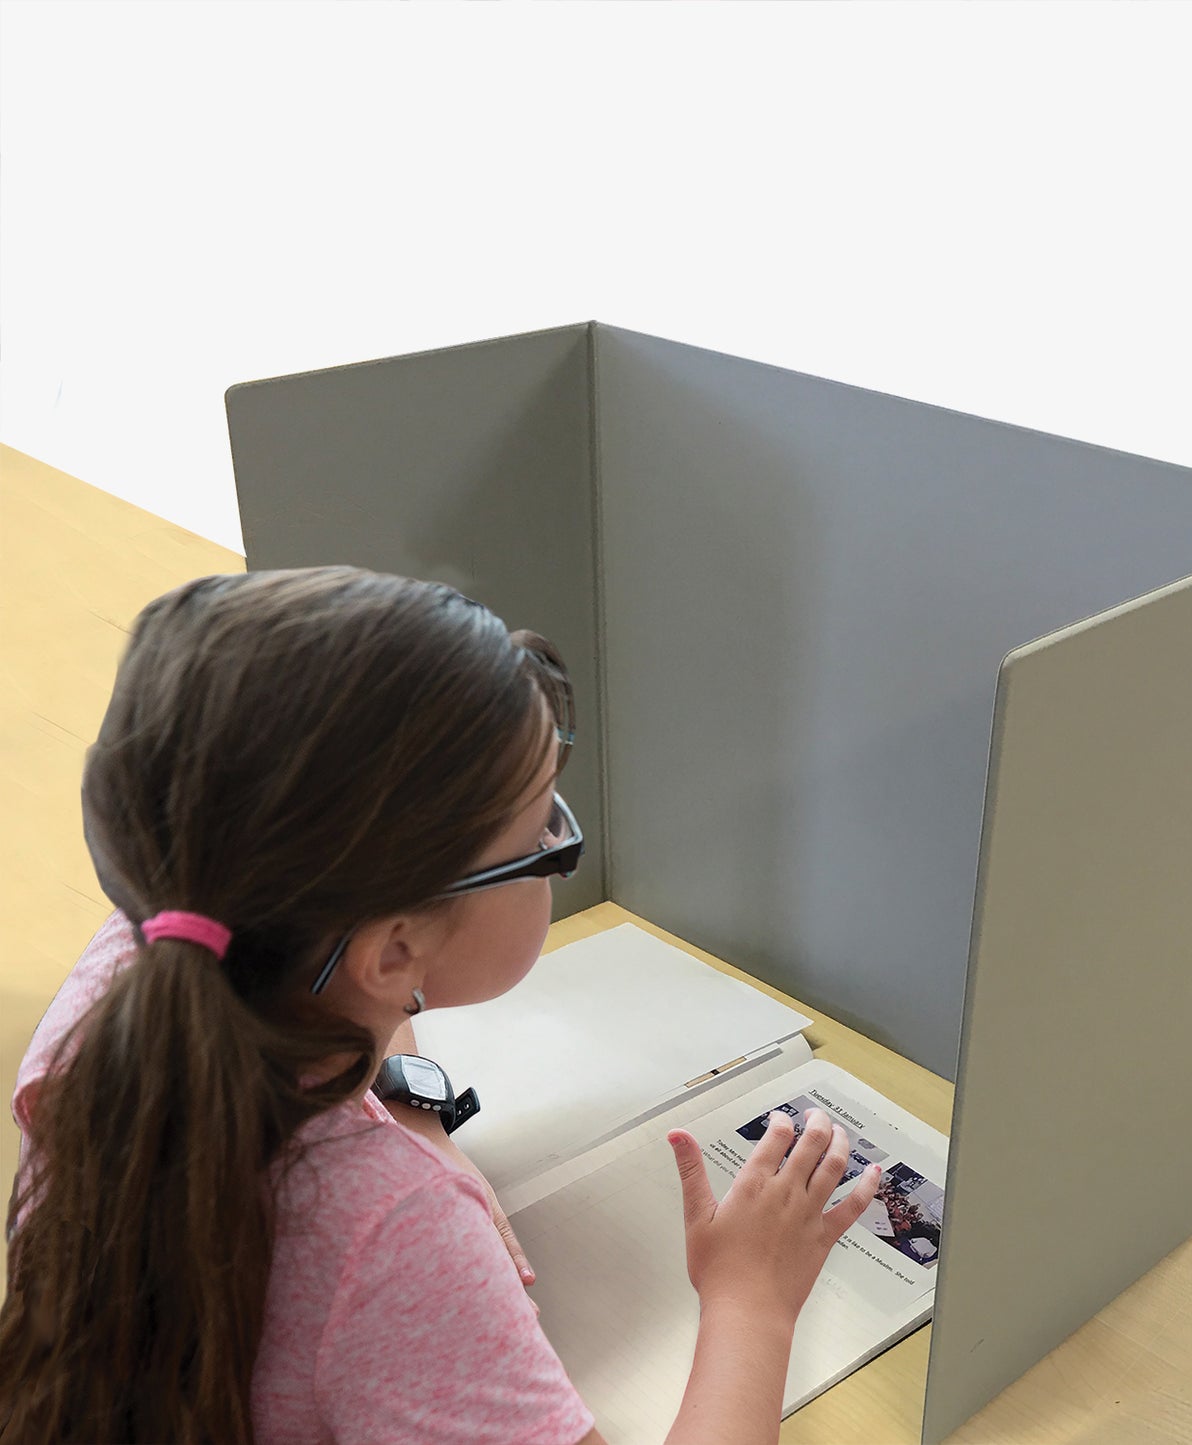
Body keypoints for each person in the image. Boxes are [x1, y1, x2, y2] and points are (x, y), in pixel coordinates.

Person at [0, 566, 882, 1445]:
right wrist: (752, 1301)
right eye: (543, 840)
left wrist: (404, 1104)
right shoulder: (390, 1234)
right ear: (395, 949)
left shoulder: (164, 942)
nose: (554, 845)